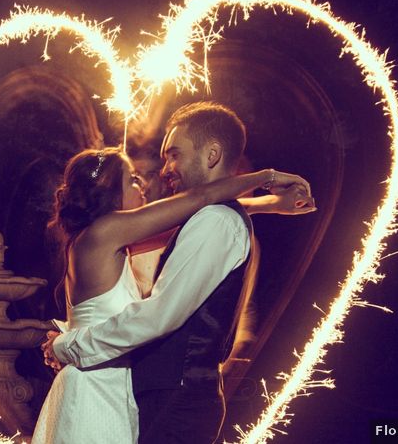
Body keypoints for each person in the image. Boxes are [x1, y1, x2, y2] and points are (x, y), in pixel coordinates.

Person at [32, 127, 313, 444]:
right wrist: (266, 177)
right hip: (97, 389)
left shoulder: (104, 236)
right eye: (133, 179)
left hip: (104, 382)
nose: (144, 185)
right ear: (110, 190)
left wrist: (269, 204)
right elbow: (200, 198)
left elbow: (197, 212)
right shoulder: (106, 230)